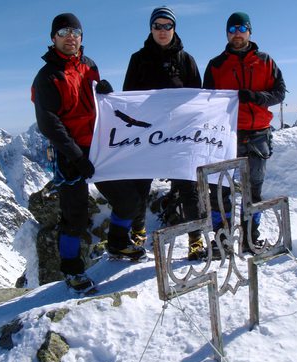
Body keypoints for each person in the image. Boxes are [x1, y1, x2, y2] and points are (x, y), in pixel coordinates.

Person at [100, 5, 204, 261]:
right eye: (157, 25)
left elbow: (199, 99)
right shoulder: (138, 59)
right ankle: (138, 232)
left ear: (174, 28)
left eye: (167, 25)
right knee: (140, 185)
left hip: (179, 136)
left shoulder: (186, 60)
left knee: (188, 187)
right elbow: (129, 98)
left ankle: (195, 240)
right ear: (151, 28)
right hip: (146, 136)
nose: (162, 30)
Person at [31, 13, 112, 292]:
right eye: (64, 31)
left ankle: (121, 243)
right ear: (53, 38)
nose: (70, 36)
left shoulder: (90, 66)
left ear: (81, 37)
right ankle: (72, 270)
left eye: (75, 31)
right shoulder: (47, 77)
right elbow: (49, 123)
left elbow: (96, 105)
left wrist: (105, 93)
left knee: (126, 191)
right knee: (74, 213)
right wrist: (76, 156)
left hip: (99, 145)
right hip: (70, 153)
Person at [203, 11, 286, 253]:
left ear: (249, 31)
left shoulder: (266, 61)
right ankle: (222, 239)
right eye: (232, 30)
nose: (236, 34)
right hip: (226, 135)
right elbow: (206, 100)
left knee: (254, 189)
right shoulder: (216, 65)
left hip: (258, 133)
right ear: (226, 34)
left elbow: (280, 92)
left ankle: (251, 238)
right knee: (220, 189)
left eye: (241, 29)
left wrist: (258, 97)